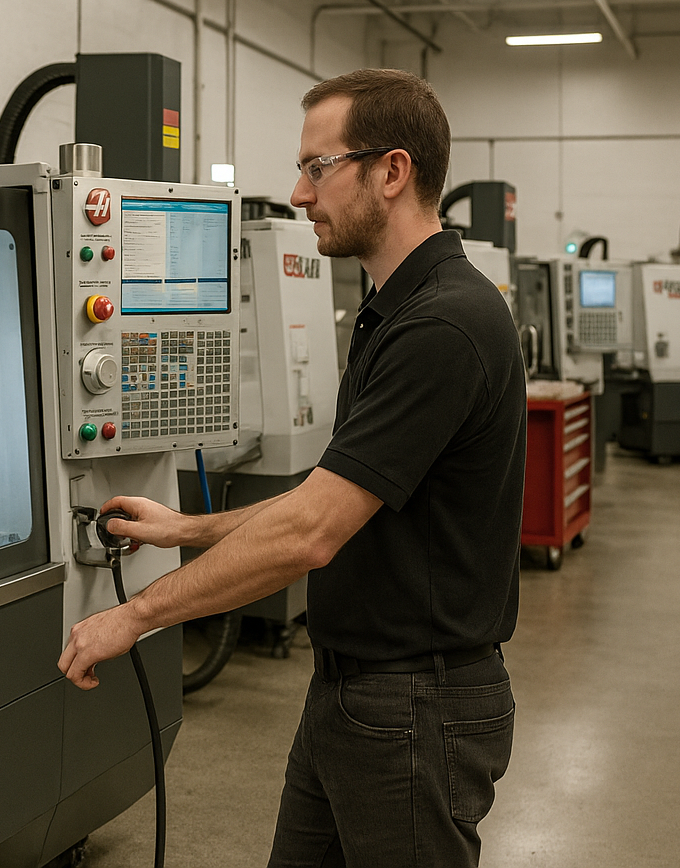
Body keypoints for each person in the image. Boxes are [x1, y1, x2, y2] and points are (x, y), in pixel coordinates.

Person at [58, 68, 526, 868]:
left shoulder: (443, 325)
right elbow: (334, 494)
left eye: (317, 167)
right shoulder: (395, 312)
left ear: (392, 171)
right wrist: (190, 527)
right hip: (357, 694)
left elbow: (311, 534)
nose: (300, 194)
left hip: (414, 705)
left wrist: (132, 618)